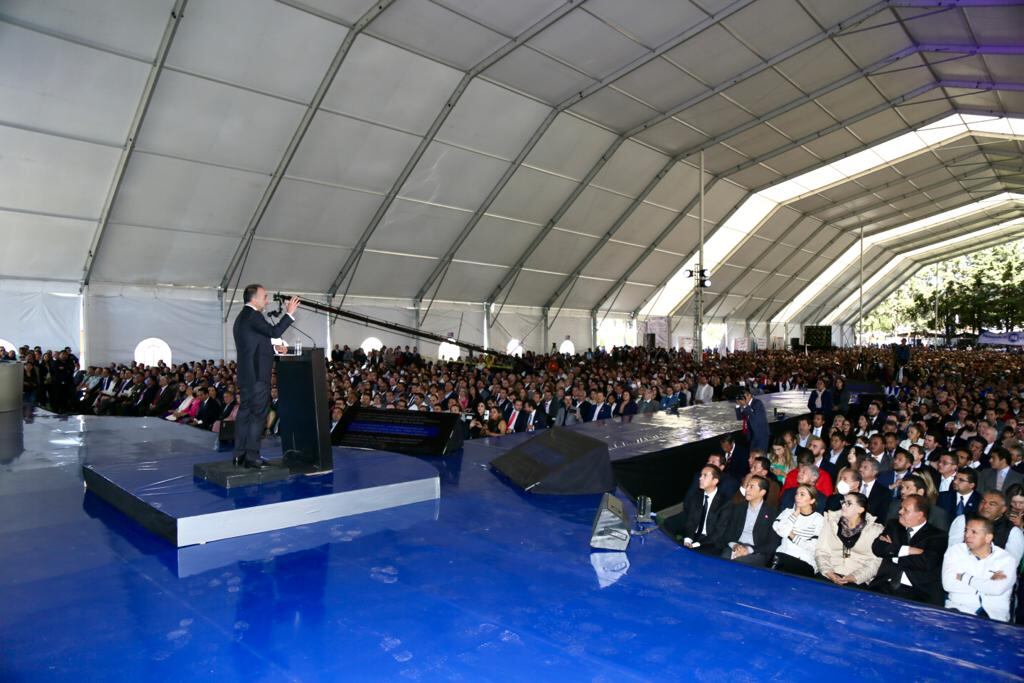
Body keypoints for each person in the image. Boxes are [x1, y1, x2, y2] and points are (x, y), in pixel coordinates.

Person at [232, 284, 298, 468]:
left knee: (244, 414)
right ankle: (252, 457)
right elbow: (274, 332)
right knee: (258, 415)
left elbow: (256, 343)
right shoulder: (253, 315)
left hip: (246, 374)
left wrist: (273, 348)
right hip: (258, 375)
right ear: (254, 298)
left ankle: (239, 455)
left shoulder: (242, 317)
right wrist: (289, 313)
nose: (267, 300)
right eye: (265, 296)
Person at [869, 494, 947, 605]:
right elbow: (877, 548)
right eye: (901, 508)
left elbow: (927, 562)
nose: (900, 512)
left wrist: (894, 555)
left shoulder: (937, 536)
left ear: (920, 515)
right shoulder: (893, 525)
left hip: (917, 591)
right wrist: (909, 550)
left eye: (906, 510)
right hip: (884, 585)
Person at [942, 517, 1018, 622]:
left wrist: (965, 577)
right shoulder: (955, 552)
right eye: (966, 530)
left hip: (995, 617)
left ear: (988, 538)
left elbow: (997, 589)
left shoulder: (1006, 559)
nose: (967, 535)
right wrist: (988, 582)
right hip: (960, 611)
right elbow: (948, 584)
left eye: (974, 532)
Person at [816, 492, 884, 587]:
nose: (843, 505)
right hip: (829, 573)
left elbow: (875, 562)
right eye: (843, 502)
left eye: (849, 503)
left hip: (857, 580)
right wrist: (829, 573)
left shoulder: (875, 530)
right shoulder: (831, 522)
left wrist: (854, 577)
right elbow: (821, 552)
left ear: (860, 509)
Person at [664, 465, 731, 555]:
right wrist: (688, 540)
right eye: (701, 475)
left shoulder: (725, 502)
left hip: (710, 542)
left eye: (705, 475)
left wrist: (696, 544)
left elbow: (718, 533)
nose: (700, 478)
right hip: (694, 536)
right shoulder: (696, 496)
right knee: (672, 548)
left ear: (715, 481)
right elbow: (690, 521)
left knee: (693, 554)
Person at [946, 491, 1024, 565]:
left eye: (992, 504)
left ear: (1003, 509)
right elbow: (953, 551)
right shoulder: (963, 520)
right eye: (983, 502)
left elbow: (1010, 563)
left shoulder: (1013, 532)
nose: (985, 506)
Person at [721, 475, 779, 567]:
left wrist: (749, 549)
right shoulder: (739, 508)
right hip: (736, 546)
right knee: (723, 560)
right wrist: (735, 545)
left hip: (757, 551)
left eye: (751, 487)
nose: (747, 489)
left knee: (739, 564)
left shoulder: (772, 513)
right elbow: (727, 533)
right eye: (747, 486)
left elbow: (773, 543)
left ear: (762, 492)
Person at [772, 484, 824, 577]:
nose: (797, 497)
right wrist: (794, 515)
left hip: (804, 560)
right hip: (783, 555)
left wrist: (791, 535)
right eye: (797, 493)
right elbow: (781, 532)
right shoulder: (788, 512)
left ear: (812, 500)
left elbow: (812, 547)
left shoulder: (818, 519)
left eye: (802, 494)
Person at [735, 388, 769, 453]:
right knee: (752, 456)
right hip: (752, 436)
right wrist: (737, 405)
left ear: (749, 395)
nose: (743, 399)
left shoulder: (757, 403)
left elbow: (755, 418)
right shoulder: (747, 406)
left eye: (744, 397)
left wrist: (745, 405)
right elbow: (739, 417)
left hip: (760, 435)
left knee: (760, 456)